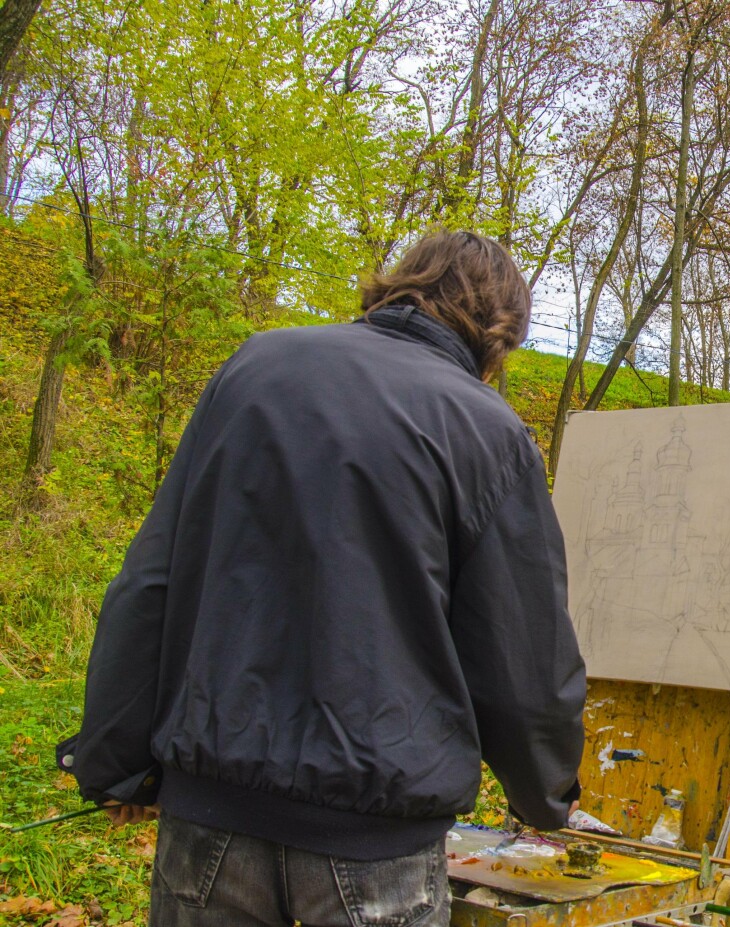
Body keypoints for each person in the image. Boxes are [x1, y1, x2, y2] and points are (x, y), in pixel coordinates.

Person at [55, 231, 586, 926]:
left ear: (402, 286)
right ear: (500, 331)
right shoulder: (487, 430)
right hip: (376, 841)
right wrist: (547, 797)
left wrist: (114, 761)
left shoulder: (253, 368)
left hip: (210, 822)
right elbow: (524, 654)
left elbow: (151, 581)